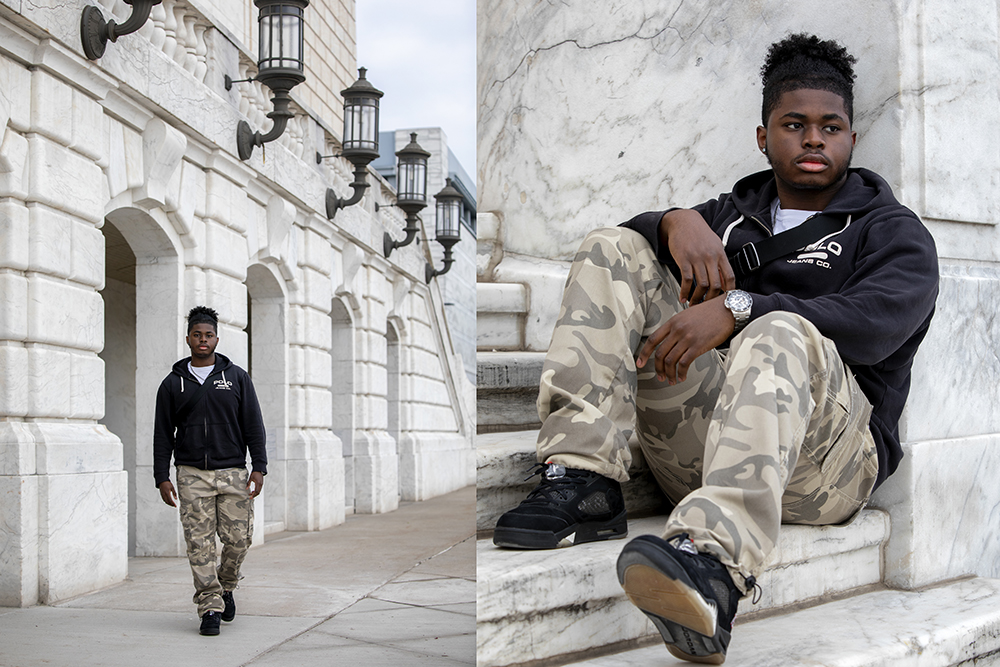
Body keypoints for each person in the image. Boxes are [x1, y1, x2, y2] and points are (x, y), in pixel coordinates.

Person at [492, 34, 939, 663]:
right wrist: (674, 219)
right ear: (764, 137)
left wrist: (739, 308)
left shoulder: (891, 231)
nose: (814, 139)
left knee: (779, 329)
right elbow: (636, 248)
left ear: (851, 140)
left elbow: (872, 327)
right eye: (794, 124)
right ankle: (583, 480)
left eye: (830, 127)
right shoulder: (734, 213)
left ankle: (713, 566)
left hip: (826, 471)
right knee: (611, 247)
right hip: (705, 449)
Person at [153, 306, 267, 636]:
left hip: (232, 471)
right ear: (188, 338)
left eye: (209, 335)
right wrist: (162, 475)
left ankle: (227, 584)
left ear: (217, 338)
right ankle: (210, 606)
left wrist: (258, 467)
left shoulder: (236, 378)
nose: (203, 340)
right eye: (197, 335)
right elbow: (163, 433)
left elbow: (253, 425)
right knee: (198, 544)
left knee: (239, 539)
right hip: (192, 475)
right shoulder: (173, 384)